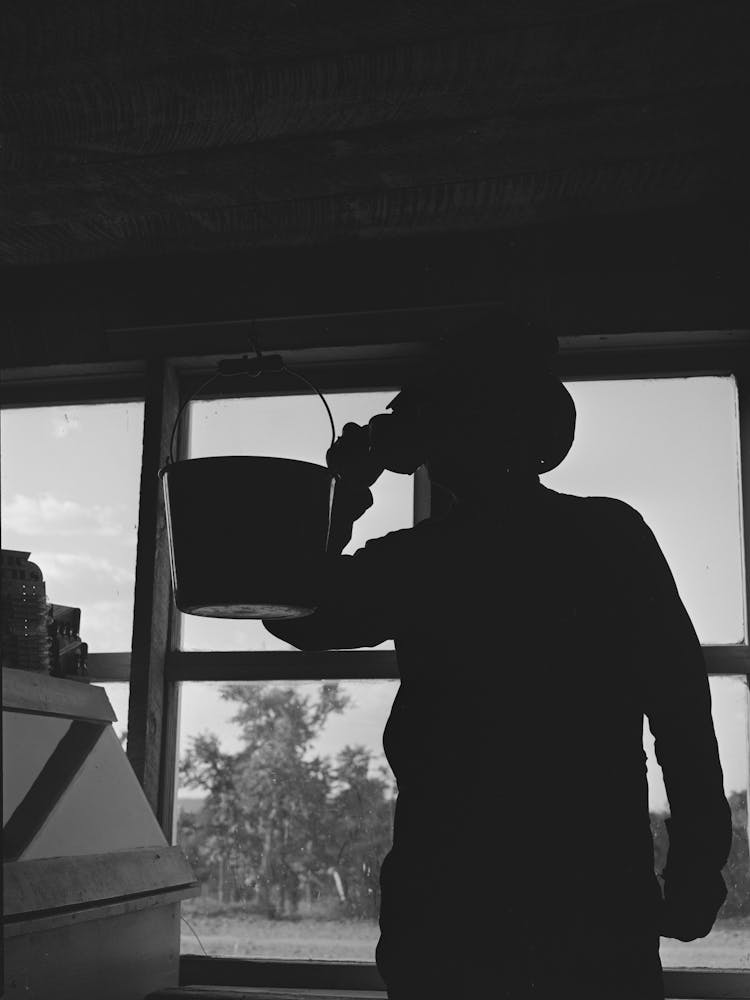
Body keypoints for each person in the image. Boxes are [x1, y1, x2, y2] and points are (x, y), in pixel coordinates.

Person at [264, 319, 732, 999]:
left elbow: (292, 609)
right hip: (591, 891)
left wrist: (348, 484)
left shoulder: (421, 561)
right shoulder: (608, 535)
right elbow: (680, 707)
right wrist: (697, 861)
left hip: (448, 901)